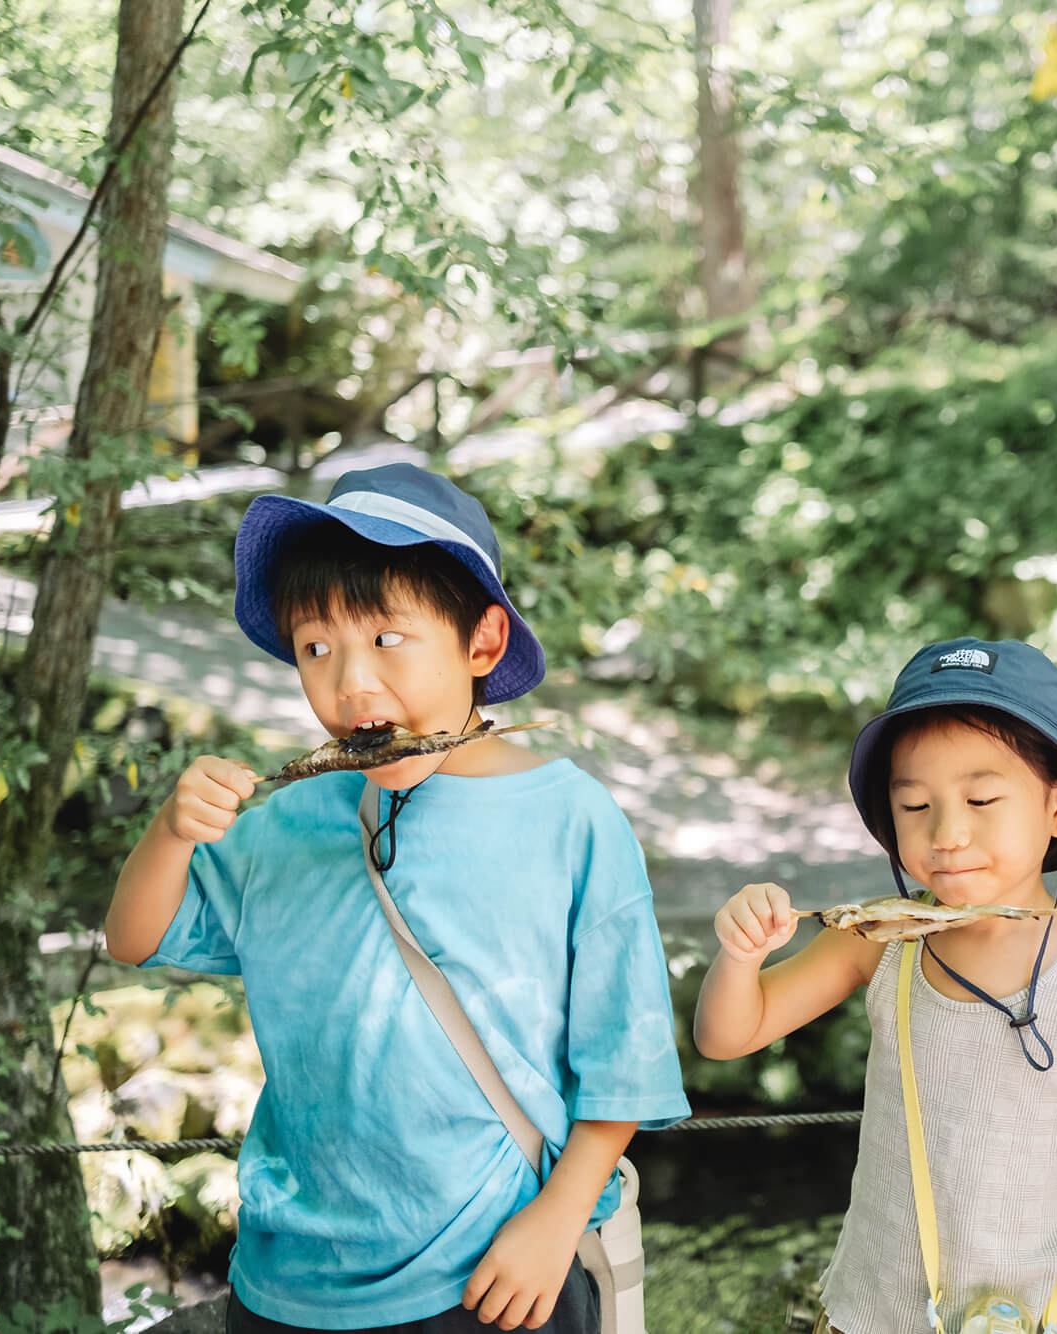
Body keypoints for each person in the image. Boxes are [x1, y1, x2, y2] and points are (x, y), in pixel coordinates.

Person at [106, 463, 689, 1334]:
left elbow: (624, 1053)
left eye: (388, 638)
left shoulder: (569, 819)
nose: (350, 683)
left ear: (482, 643)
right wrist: (171, 831)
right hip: (286, 1280)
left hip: (494, 1273)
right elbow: (132, 937)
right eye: (316, 648)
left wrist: (558, 1218)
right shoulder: (286, 822)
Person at [695, 638, 1057, 1334]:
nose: (948, 833)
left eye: (981, 798)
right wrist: (740, 957)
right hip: (870, 1316)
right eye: (915, 804)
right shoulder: (880, 937)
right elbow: (727, 1036)